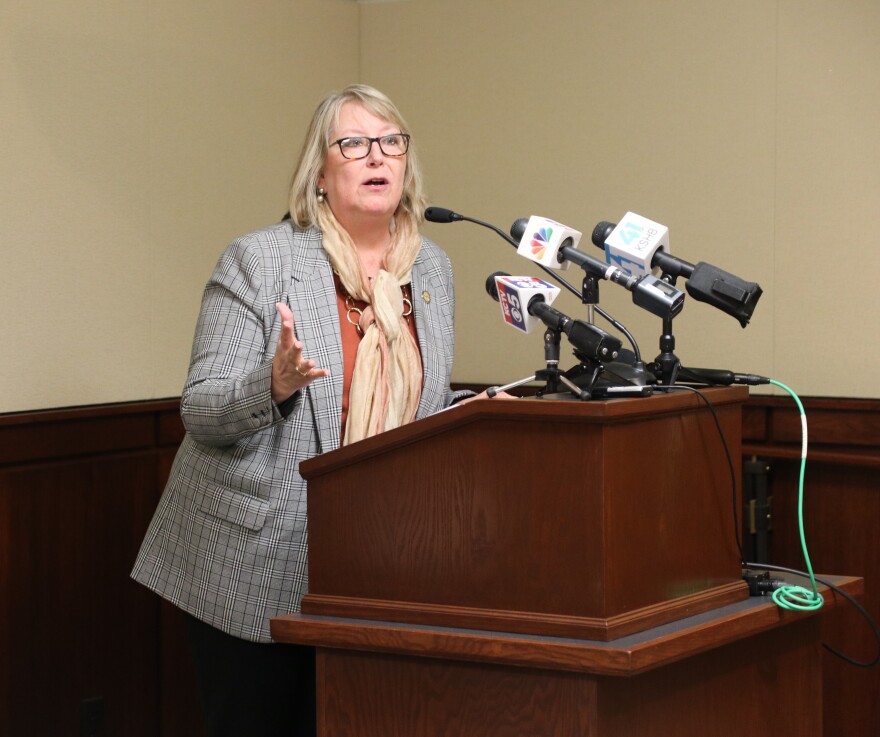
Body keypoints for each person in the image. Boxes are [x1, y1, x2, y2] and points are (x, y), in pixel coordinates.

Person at [131, 84, 481, 736]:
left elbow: (412, 403)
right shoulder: (261, 261)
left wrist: (478, 411)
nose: (376, 156)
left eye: (390, 142)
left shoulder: (431, 270)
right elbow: (201, 408)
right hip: (251, 559)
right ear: (320, 171)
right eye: (353, 143)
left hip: (372, 563)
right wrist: (274, 383)